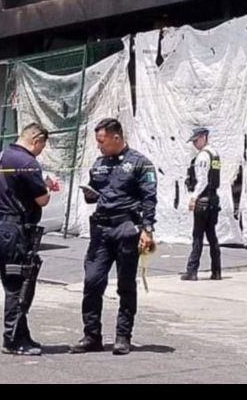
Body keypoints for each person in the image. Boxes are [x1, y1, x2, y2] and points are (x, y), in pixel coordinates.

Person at [70, 118, 157, 356]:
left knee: (125, 285)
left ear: (116, 137)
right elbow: (93, 194)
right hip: (101, 231)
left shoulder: (140, 164)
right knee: (92, 282)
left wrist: (147, 230)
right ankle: (92, 336)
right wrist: (89, 193)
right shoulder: (99, 164)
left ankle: (123, 335)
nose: (99, 146)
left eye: (102, 141)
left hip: (126, 229)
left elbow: (149, 198)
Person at [0, 123, 53, 355]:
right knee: (20, 285)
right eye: (42, 146)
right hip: (16, 228)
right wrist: (49, 188)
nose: (41, 151)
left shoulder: (1, 156)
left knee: (14, 282)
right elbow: (42, 200)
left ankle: (22, 335)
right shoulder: (28, 163)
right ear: (36, 140)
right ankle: (13, 339)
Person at [181, 127, 222, 281]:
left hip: (203, 199)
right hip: (213, 199)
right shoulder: (215, 154)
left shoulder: (203, 157)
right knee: (212, 236)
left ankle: (192, 271)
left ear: (204, 137)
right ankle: (216, 271)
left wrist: (193, 198)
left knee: (197, 236)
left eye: (196, 140)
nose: (194, 144)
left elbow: (202, 180)